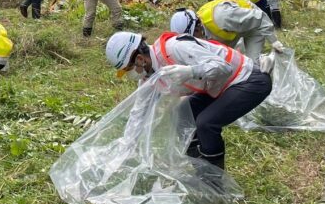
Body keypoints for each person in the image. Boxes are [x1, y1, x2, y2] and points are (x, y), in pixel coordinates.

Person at [105, 30, 273, 169]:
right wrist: (125, 150)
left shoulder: (176, 48)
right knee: (182, 116)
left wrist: (191, 71)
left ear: (140, 59)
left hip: (248, 80)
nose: (130, 74)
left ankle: (215, 183)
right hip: (219, 87)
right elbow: (138, 113)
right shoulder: (149, 77)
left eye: (128, 68)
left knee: (206, 123)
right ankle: (201, 168)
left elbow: (224, 67)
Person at [170, 0, 283, 61]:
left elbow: (259, 17)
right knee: (228, 60)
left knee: (252, 64)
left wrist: (273, 40)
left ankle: (267, 65)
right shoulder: (203, 28)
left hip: (253, 25)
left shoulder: (223, 17)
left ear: (197, 28)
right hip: (232, 31)